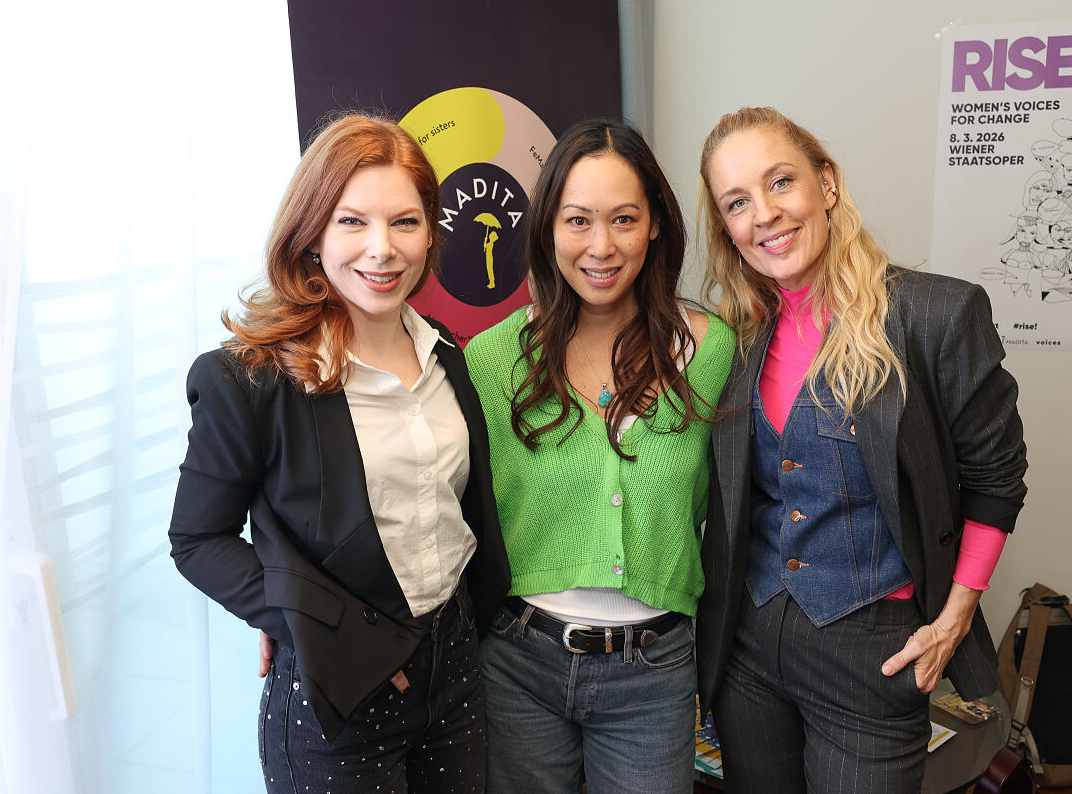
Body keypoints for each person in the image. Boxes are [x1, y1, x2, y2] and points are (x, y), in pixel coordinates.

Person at [168, 113, 510, 794]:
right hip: (341, 698)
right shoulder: (249, 377)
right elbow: (197, 539)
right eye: (352, 221)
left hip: (455, 669)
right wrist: (303, 618)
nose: (382, 249)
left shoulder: (442, 345)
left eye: (405, 222)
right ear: (311, 233)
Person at [694, 106, 1028, 794]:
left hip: (873, 648)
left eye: (780, 182)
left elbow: (998, 477)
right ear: (727, 226)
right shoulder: (733, 337)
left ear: (828, 183)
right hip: (748, 646)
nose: (764, 214)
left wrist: (956, 613)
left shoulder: (935, 315)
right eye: (737, 202)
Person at [463, 119, 734, 794]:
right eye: (578, 220)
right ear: (549, 229)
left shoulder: (713, 351)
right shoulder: (491, 358)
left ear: (655, 228)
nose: (601, 245)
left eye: (623, 219)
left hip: (655, 668)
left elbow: (720, 505)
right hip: (519, 663)